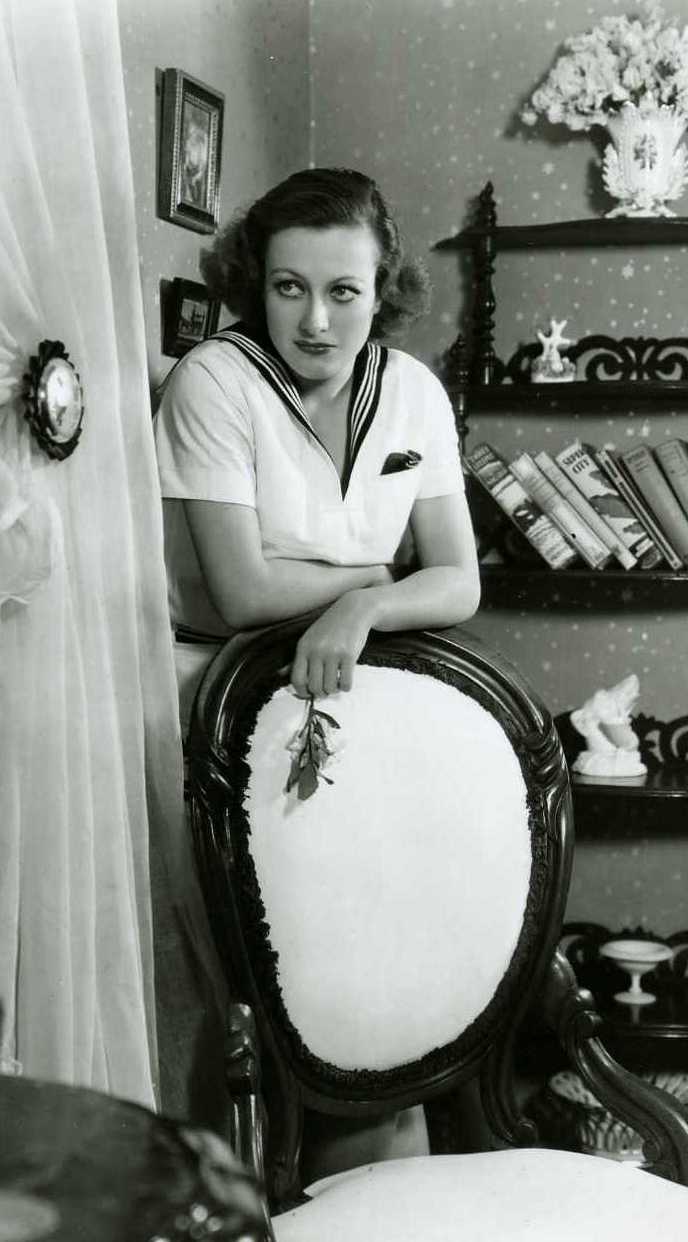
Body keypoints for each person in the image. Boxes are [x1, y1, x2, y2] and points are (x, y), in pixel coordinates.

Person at [153, 166, 481, 1172]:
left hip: (349, 697)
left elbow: (459, 582)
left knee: (357, 982)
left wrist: (366, 602)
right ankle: (226, 1227)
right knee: (236, 989)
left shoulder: (414, 394)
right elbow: (238, 594)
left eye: (343, 291)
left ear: (382, 291)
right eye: (289, 286)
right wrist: (382, 570)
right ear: (257, 281)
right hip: (203, 704)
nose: (315, 318)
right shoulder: (213, 379)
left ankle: (371, 1229)